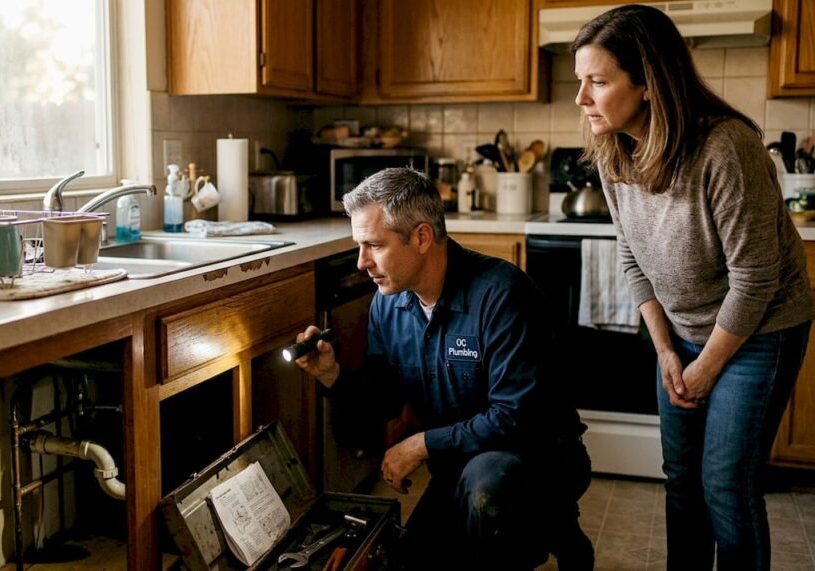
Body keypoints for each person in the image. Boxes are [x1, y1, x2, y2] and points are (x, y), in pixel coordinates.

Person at [571, 5, 815, 570]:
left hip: (759, 330)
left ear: (649, 84)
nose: (582, 98)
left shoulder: (725, 148)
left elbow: (756, 280)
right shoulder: (613, 153)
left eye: (599, 82)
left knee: (725, 487)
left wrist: (702, 369)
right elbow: (633, 259)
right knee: (681, 481)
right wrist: (665, 352)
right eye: (581, 81)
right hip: (680, 333)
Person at [293, 167, 594, 569]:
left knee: (488, 504)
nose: (362, 262)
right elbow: (383, 399)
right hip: (459, 467)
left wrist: (420, 445)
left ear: (421, 237)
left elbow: (515, 417)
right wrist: (331, 375)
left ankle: (558, 528)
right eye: (359, 246)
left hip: (536, 459)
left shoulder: (502, 293)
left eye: (374, 246)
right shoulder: (388, 302)